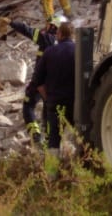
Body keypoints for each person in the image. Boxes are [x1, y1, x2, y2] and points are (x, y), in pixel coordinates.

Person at [0, 14, 62, 134]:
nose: (46, 26)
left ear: (53, 26)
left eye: (48, 24)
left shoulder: (46, 38)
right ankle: (49, 139)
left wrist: (11, 22)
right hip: (54, 83)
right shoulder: (61, 43)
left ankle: (36, 137)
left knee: (28, 106)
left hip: (41, 82)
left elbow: (27, 30)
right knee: (48, 109)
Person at [33, 21, 77, 154]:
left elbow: (37, 80)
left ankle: (52, 173)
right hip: (75, 102)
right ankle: (82, 168)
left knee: (53, 139)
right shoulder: (79, 50)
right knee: (80, 136)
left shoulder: (49, 51)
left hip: (54, 102)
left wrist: (47, 98)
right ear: (72, 35)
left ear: (60, 34)